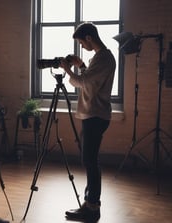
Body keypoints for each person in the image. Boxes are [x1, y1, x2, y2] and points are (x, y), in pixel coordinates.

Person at [60, 22, 116, 222]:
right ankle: (89, 203)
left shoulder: (104, 58)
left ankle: (92, 207)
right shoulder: (100, 58)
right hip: (93, 114)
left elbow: (83, 84)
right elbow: (91, 82)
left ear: (89, 38)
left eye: (81, 42)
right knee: (89, 160)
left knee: (90, 161)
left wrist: (68, 70)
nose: (82, 46)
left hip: (95, 115)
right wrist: (82, 66)